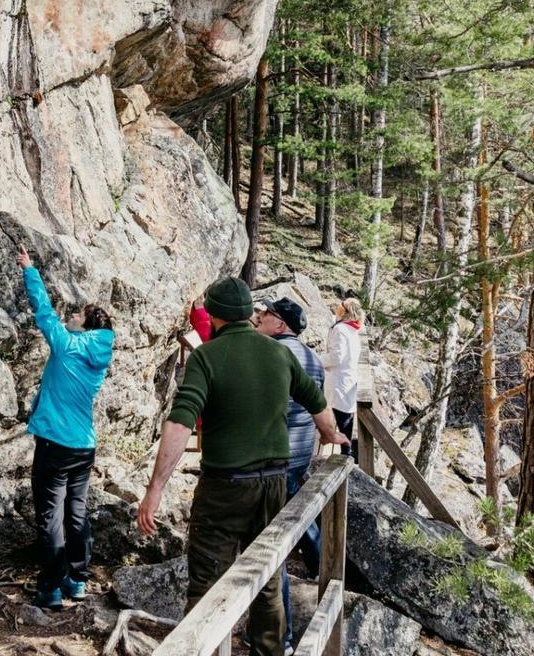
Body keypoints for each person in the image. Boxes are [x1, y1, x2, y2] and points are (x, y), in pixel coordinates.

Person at [136, 277, 347, 656]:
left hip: (224, 486)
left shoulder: (206, 356)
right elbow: (318, 405)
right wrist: (333, 436)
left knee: (206, 583)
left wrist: (155, 490)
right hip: (273, 483)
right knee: (266, 579)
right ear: (249, 314)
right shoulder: (278, 353)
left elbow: (181, 422)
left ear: (214, 316)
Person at [19, 247, 115, 608]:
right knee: (76, 513)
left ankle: (50, 587)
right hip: (83, 447)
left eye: (75, 314)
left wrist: (30, 269)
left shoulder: (66, 345)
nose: (69, 316)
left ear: (85, 325)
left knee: (50, 514)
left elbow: (43, 312)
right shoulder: (100, 354)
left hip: (56, 445)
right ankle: (77, 579)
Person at [254, 295, 323, 652]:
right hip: (298, 459)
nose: (259, 316)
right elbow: (316, 409)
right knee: (294, 526)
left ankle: (280, 636)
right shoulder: (312, 358)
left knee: (270, 548)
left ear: (280, 325)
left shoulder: (273, 355)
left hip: (272, 462)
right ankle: (323, 569)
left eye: (266, 313)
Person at [322, 294, 365, 455]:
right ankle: (346, 451)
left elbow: (336, 357)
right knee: (345, 416)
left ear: (345, 310)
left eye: (342, 305)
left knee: (340, 417)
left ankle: (345, 453)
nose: (338, 305)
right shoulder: (352, 329)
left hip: (338, 379)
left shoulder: (341, 330)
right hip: (346, 378)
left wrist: (317, 359)